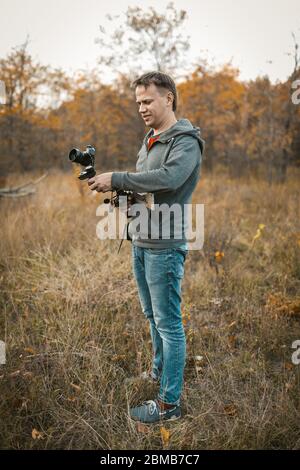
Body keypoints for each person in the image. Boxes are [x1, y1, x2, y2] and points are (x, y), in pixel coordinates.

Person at [88, 71, 204, 424]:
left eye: (148, 100)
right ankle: (158, 373)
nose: (141, 107)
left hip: (165, 246)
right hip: (142, 239)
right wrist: (125, 199)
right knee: (152, 317)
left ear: (168, 98)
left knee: (169, 325)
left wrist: (119, 177)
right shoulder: (150, 138)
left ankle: (169, 404)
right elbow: (151, 192)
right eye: (138, 102)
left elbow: (169, 179)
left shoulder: (185, 140)